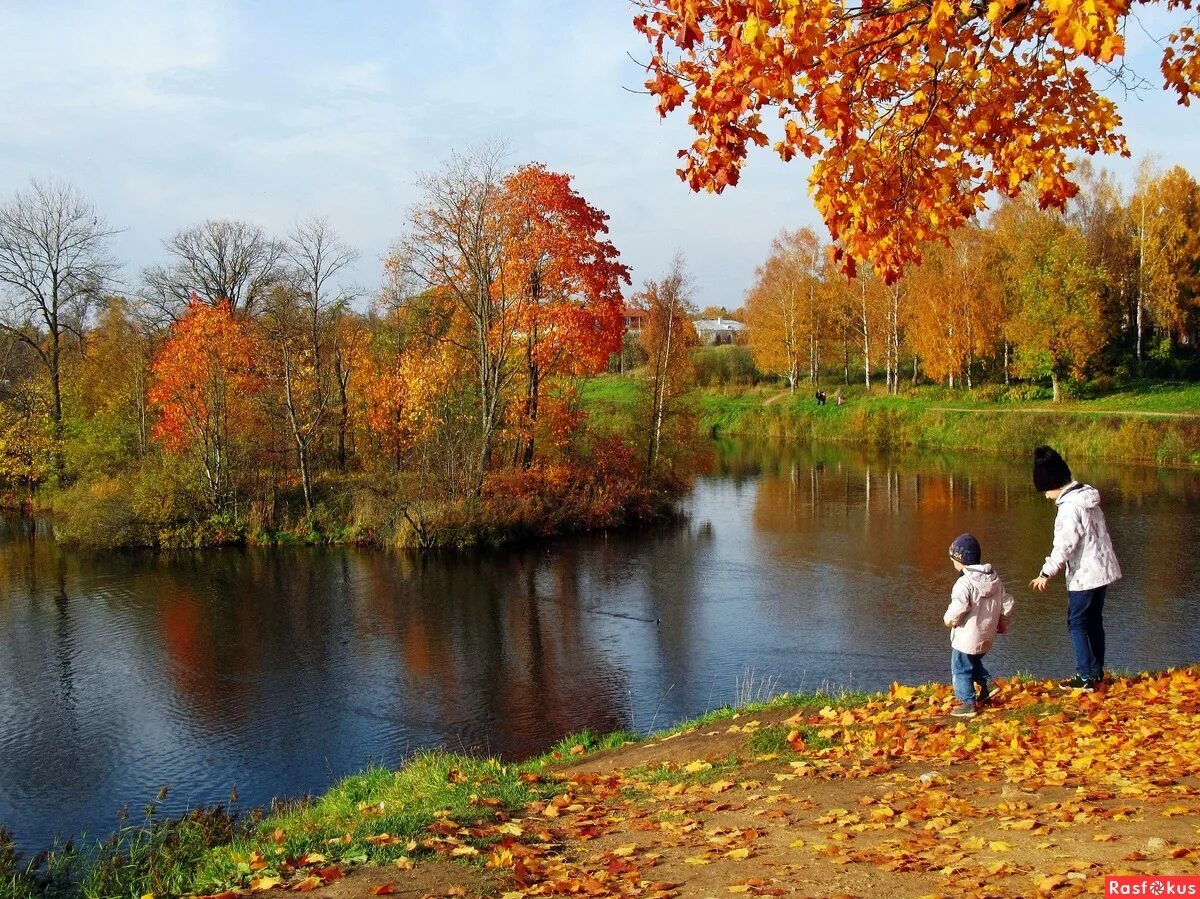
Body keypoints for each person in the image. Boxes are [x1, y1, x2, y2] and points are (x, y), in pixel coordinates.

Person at [1028, 446, 1121, 692]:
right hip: (1102, 571)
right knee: (1093, 622)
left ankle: (1084, 677)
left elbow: (1064, 546)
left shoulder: (1069, 508)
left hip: (1085, 575)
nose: (1044, 495)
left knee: (1077, 623)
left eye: (1044, 490)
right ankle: (1096, 673)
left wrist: (1046, 573)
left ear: (1050, 483)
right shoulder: (1087, 498)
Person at [943, 533, 1015, 718]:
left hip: (967, 637)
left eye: (953, 559)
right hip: (987, 634)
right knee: (972, 662)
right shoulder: (994, 580)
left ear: (961, 560)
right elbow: (1007, 603)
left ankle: (967, 703)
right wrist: (1003, 625)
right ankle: (988, 687)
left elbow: (959, 607)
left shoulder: (964, 583)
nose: (953, 564)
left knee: (960, 667)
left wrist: (949, 620)